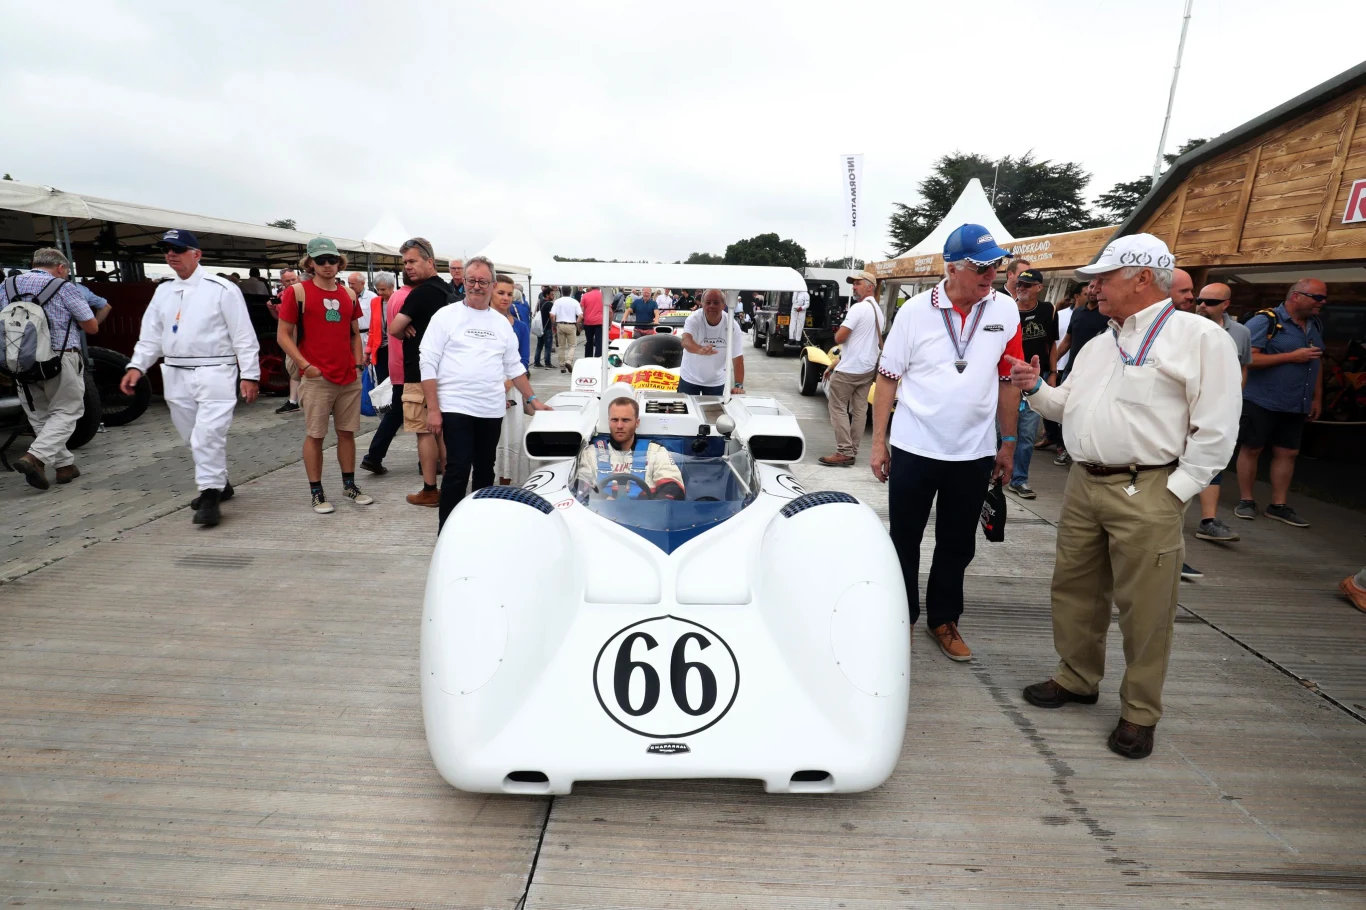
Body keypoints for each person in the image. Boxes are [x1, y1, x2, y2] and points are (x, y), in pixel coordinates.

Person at [1007, 233, 1241, 760]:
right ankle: (1076, 677)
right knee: (1076, 590)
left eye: (1103, 278)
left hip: (1150, 486)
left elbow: (1218, 430)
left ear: (1141, 277)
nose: (1092, 289)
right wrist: (1033, 386)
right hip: (1083, 484)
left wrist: (1175, 494)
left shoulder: (1199, 338)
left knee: (1147, 608)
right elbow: (1066, 405)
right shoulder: (1099, 342)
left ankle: (1139, 711)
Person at [869, 224, 1023, 663]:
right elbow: (888, 377)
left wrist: (1007, 442)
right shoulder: (915, 311)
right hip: (915, 446)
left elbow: (1008, 378)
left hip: (973, 452)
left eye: (994, 264)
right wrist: (879, 444)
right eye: (980, 265)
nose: (990, 273)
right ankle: (901, 615)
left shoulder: (1005, 310)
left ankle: (944, 618)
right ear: (951, 267)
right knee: (905, 537)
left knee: (958, 542)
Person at [122, 229, 260, 526]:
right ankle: (220, 483)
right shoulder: (163, 291)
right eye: (166, 249)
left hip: (215, 370)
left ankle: (209, 495)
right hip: (174, 371)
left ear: (196, 254)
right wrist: (136, 366)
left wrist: (250, 374)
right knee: (191, 437)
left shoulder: (222, 289)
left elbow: (243, 335)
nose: (171, 254)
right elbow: (151, 335)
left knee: (207, 434)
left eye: (178, 249)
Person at [418, 255, 551, 529]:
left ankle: (479, 528)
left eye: (483, 281)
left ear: (491, 285)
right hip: (455, 406)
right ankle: (448, 531)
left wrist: (533, 399)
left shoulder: (501, 323)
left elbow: (514, 365)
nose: (477, 286)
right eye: (471, 280)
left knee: (485, 469)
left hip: (491, 408)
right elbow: (427, 362)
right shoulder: (445, 316)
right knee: (457, 469)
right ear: (463, 282)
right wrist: (433, 409)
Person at [274, 236, 374, 514]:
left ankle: (350, 485)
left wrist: (357, 365)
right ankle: (317, 492)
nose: (327, 265)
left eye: (332, 260)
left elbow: (354, 334)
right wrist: (305, 366)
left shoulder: (348, 294)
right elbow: (283, 336)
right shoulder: (297, 293)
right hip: (317, 377)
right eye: (321, 260)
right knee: (316, 435)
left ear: (339, 263)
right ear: (310, 263)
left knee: (347, 433)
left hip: (347, 376)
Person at [2, 248, 106, 489]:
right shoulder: (64, 287)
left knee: (40, 414)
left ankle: (64, 467)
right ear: (61, 268)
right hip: (60, 359)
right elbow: (91, 327)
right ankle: (35, 457)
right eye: (67, 272)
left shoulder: (7, 286)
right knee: (67, 411)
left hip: (20, 360)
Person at [1233, 279, 1327, 529]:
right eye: (1317, 297)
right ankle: (1246, 500)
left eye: (1323, 298)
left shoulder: (1314, 324)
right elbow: (1247, 359)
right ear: (1296, 296)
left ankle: (1278, 505)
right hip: (1261, 399)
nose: (1323, 302)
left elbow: (1317, 361)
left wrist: (1317, 396)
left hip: (1296, 402)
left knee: (1288, 452)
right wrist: (1292, 357)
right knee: (1252, 448)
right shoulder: (1265, 321)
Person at [387, 238, 453, 507]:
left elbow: (393, 328)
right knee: (445, 433)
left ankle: (430, 490)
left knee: (425, 432)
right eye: (405, 263)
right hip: (447, 372)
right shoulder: (449, 292)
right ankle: (451, 486)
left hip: (420, 373)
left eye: (412, 261)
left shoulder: (421, 293)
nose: (408, 267)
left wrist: (405, 328)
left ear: (429, 262)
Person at [1190, 283, 1252, 545]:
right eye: (1200, 300)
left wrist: (1232, 399)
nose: (1202, 305)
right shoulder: (1185, 325)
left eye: (1210, 302)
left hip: (1215, 408)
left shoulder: (1241, 333)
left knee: (1211, 459)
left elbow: (1244, 367)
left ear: (1226, 304)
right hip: (1184, 405)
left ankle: (1208, 521)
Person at [818, 271, 884, 467]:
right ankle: (852, 450)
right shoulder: (877, 311)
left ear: (870, 287)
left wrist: (839, 331)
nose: (854, 287)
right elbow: (863, 344)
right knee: (859, 410)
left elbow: (840, 338)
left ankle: (844, 450)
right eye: (853, 284)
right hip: (867, 369)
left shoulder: (858, 308)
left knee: (837, 407)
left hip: (849, 370)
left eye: (858, 284)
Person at [1004, 268, 1056, 499]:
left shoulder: (1047, 310)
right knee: (1001, 432)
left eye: (1027, 285)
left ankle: (1019, 480)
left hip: (1035, 380)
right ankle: (996, 473)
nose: (1022, 288)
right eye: (1019, 285)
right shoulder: (1004, 309)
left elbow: (1051, 344)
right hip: (1006, 380)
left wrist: (1052, 372)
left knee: (1026, 434)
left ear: (1039, 288)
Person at [575, 397, 685, 498]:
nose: (619, 426)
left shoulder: (655, 452)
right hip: (600, 515)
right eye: (615, 420)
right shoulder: (591, 453)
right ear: (609, 421)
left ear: (637, 423)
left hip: (644, 517)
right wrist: (604, 498)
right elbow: (579, 489)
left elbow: (674, 488)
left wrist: (651, 508)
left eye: (625, 420)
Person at [1050, 278, 1109, 466]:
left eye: (1096, 287)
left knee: (1087, 413)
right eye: (1090, 287)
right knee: (1067, 411)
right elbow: (1067, 341)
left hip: (1096, 374)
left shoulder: (1107, 315)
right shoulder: (1077, 313)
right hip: (1071, 371)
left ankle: (1079, 450)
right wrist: (1051, 364)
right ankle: (1065, 446)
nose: (1093, 290)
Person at [361, 277, 412, 475]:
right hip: (389, 355)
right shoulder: (380, 302)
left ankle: (373, 456)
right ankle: (429, 462)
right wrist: (368, 350)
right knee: (398, 407)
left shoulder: (400, 300)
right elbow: (375, 329)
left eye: (383, 289)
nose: (380, 292)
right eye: (378, 289)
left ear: (392, 287)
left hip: (396, 355)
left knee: (397, 409)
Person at [492, 274, 531, 485]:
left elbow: (524, 360)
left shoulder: (521, 327)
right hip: (486, 389)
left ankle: (509, 480)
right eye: (500, 293)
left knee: (511, 434)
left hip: (513, 387)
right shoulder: (480, 321)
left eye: (509, 294)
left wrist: (508, 382)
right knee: (491, 437)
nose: (505, 298)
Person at [678, 289, 745, 396]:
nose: (712, 306)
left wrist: (738, 385)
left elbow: (737, 358)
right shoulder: (693, 319)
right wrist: (700, 349)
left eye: (716, 302)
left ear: (724, 305)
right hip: (690, 377)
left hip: (716, 381)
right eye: (708, 302)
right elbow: (686, 341)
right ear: (702, 304)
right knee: (686, 410)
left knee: (713, 412)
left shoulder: (732, 325)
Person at [274, 268, 304, 414]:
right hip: (291, 334)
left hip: (303, 333)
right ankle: (293, 401)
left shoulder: (303, 292)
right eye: (288, 281)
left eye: (293, 279)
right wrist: (272, 308)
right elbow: (280, 321)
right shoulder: (281, 296)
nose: (292, 282)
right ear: (282, 282)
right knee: (292, 365)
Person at [551, 289, 583, 372]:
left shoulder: (557, 302)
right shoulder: (575, 302)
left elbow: (551, 315)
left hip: (560, 324)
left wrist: (554, 323)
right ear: (570, 291)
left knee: (561, 346)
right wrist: (577, 323)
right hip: (571, 325)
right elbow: (580, 315)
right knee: (572, 345)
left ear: (562, 291)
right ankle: (569, 361)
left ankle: (562, 365)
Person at [347, 271, 377, 353]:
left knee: (367, 361)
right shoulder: (347, 296)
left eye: (353, 283)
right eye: (349, 283)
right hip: (352, 336)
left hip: (366, 336)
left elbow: (377, 318)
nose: (350, 286)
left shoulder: (372, 297)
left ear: (362, 283)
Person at [534, 287, 556, 367]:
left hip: (540, 327)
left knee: (539, 345)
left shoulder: (540, 302)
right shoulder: (549, 304)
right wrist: (554, 325)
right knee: (548, 346)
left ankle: (536, 362)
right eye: (552, 294)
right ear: (547, 295)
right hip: (547, 327)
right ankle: (547, 363)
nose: (553, 296)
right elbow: (552, 316)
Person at [580, 286, 605, 358]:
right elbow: (609, 311)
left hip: (588, 322)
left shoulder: (585, 296)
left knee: (589, 342)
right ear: (599, 288)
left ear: (591, 287)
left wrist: (582, 322)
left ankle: (588, 358)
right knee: (599, 343)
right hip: (600, 322)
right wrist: (609, 324)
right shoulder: (603, 296)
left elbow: (582, 310)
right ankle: (598, 358)